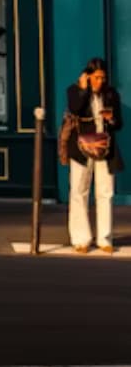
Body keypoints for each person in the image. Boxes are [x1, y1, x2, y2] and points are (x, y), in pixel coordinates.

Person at [65, 57, 123, 254]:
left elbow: (119, 123)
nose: (100, 82)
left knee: (105, 192)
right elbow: (75, 108)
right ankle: (81, 239)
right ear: (88, 76)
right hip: (81, 147)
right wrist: (83, 89)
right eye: (97, 78)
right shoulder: (75, 91)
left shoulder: (111, 94)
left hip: (104, 147)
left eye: (103, 78)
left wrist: (112, 119)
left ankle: (105, 238)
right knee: (79, 191)